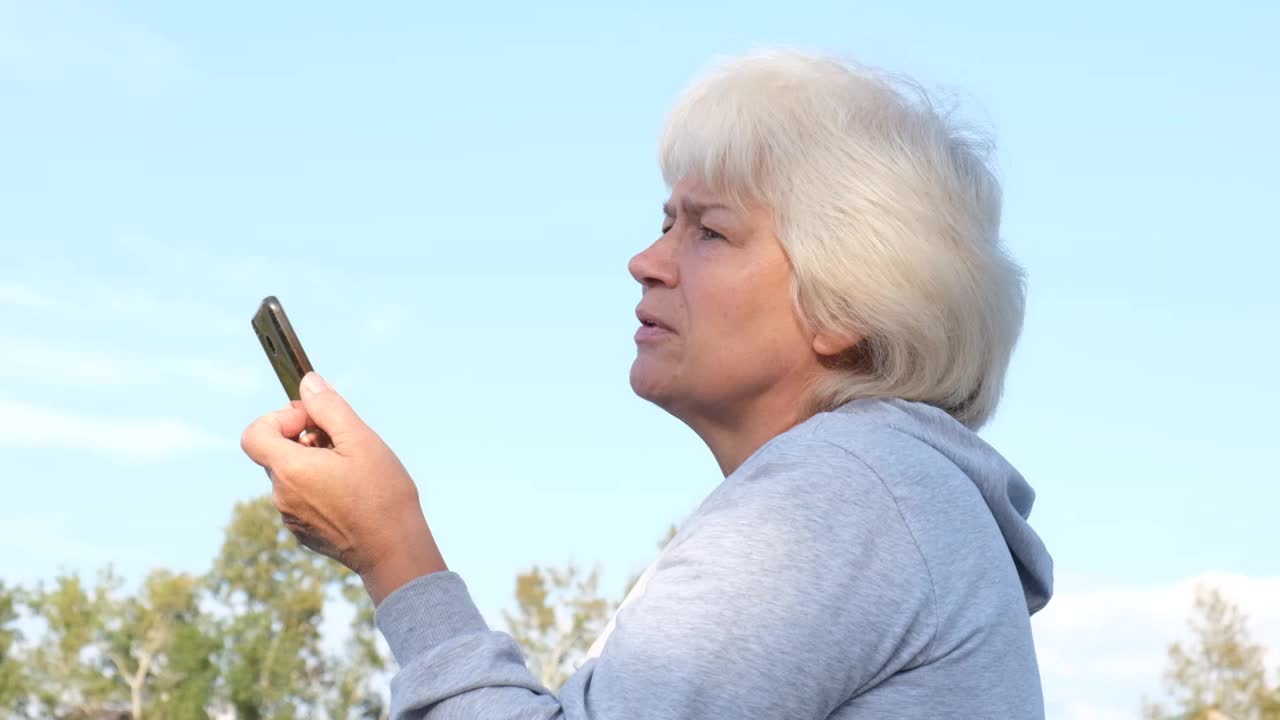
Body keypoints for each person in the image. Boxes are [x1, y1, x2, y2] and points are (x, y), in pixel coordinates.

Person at [241, 49, 1054, 719]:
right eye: (667, 221)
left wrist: (393, 552)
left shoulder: (843, 495)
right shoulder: (894, 496)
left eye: (710, 229)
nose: (647, 260)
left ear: (846, 302)